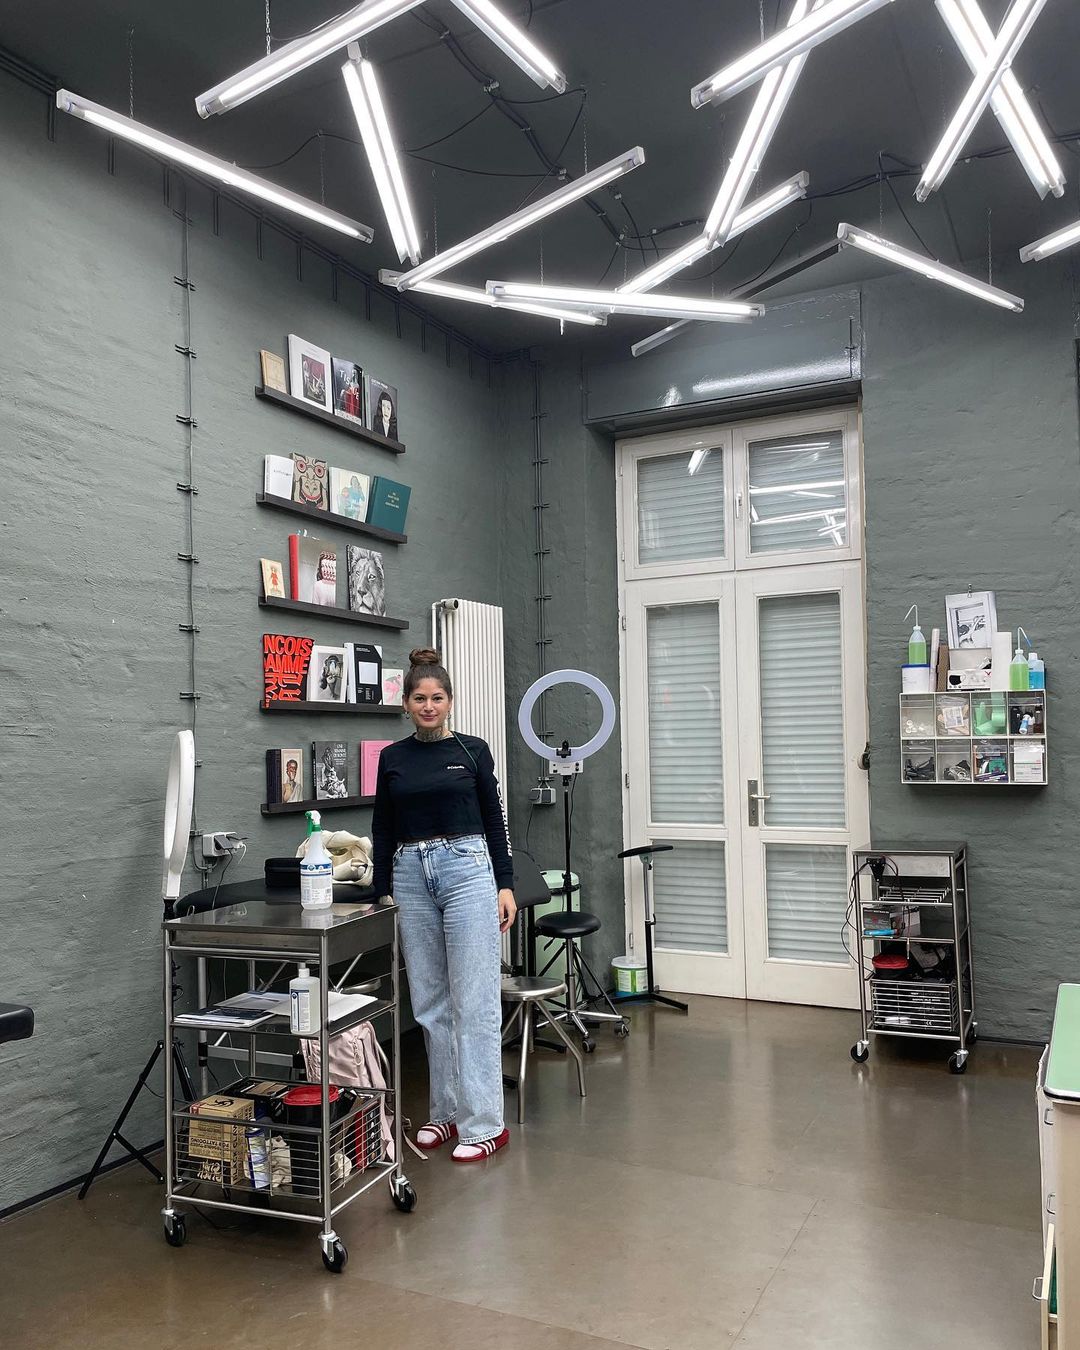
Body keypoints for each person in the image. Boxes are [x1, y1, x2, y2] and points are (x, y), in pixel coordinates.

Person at [371, 648, 515, 1162]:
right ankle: (447, 1113)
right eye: (419, 698)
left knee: (474, 1001)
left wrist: (505, 883)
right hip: (410, 874)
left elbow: (494, 819)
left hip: (467, 869)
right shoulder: (392, 758)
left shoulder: (473, 751)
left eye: (436, 698)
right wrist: (382, 886)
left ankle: (486, 1124)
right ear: (406, 704)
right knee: (430, 1002)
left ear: (450, 701)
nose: (428, 706)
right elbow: (383, 825)